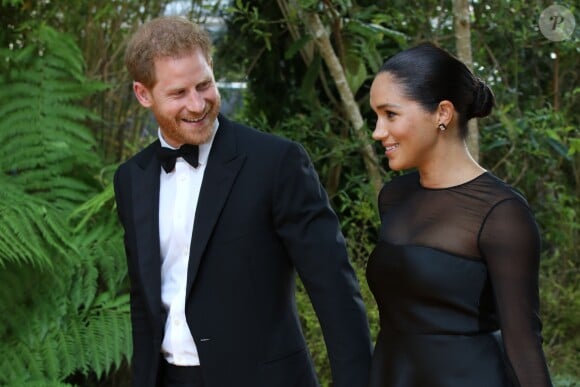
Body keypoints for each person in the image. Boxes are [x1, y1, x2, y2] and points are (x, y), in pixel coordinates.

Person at [113, 16, 372, 387]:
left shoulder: (277, 162)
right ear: (143, 94)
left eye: (204, 85)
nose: (198, 103)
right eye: (178, 93)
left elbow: (335, 289)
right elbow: (144, 299)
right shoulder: (130, 179)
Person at [366, 42, 553, 387]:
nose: (378, 132)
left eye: (390, 115)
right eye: (376, 117)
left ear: (443, 113)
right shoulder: (394, 197)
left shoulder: (501, 213)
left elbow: (523, 345)